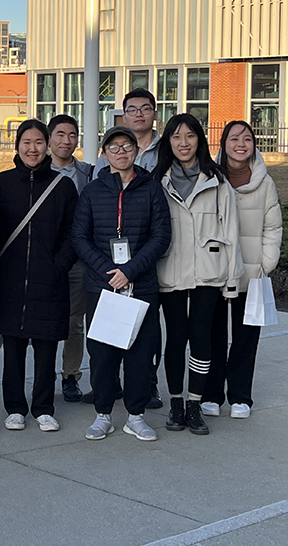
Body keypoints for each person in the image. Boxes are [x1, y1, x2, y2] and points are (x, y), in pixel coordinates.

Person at [72, 126, 171, 441]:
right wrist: (107, 271)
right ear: (105, 154)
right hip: (102, 287)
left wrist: (130, 270)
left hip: (140, 286)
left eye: (126, 145)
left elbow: (161, 236)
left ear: (135, 150)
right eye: (113, 147)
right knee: (102, 353)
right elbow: (80, 237)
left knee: (141, 354)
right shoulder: (92, 190)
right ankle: (103, 413)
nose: (121, 152)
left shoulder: (151, 188)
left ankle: (136, 415)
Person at [153, 113, 243, 435]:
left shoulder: (216, 180)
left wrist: (232, 279)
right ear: (168, 142)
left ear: (199, 140)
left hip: (208, 272)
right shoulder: (157, 180)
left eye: (189, 136)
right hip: (171, 271)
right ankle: (175, 402)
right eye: (176, 137)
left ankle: (195, 403)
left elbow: (230, 229)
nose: (183, 143)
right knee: (176, 338)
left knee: (201, 338)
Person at [0, 119, 78, 433]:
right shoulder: (1, 183)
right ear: (17, 145)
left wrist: (59, 265)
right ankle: (15, 408)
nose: (32, 148)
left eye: (39, 142)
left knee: (45, 348)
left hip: (49, 279)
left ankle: (43, 407)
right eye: (26, 142)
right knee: (12, 350)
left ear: (48, 146)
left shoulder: (63, 186)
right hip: (10, 280)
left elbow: (73, 233)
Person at [203, 121, 282, 419]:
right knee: (213, 336)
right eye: (234, 138)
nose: (240, 144)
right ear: (223, 144)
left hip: (252, 275)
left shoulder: (265, 183)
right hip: (217, 272)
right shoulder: (210, 178)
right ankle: (212, 394)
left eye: (247, 138)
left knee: (246, 337)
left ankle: (240, 397)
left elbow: (273, 227)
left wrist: (266, 264)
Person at [47, 114, 92, 402]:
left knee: (76, 322)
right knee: (48, 320)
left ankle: (71, 375)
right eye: (60, 134)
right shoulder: (38, 172)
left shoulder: (89, 173)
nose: (66, 140)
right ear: (49, 139)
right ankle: (43, 375)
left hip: (79, 261)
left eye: (72, 135)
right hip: (47, 260)